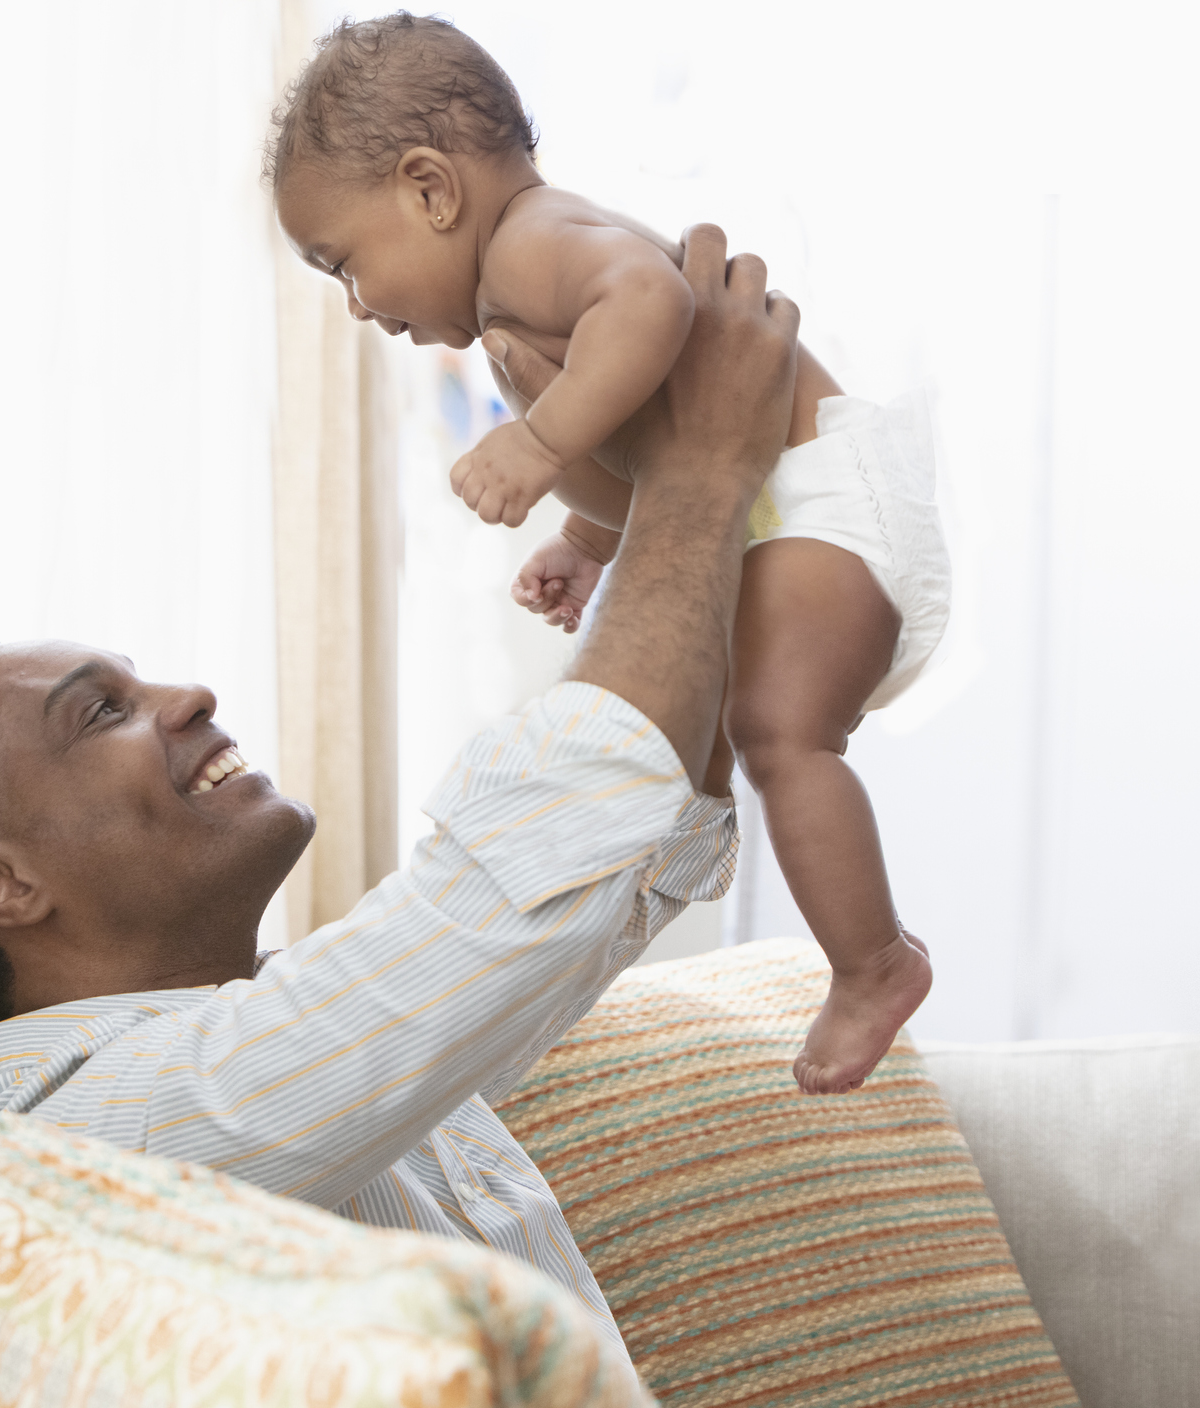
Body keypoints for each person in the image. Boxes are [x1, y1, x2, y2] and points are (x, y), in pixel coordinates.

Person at [0, 228, 795, 1352]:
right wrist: (701, 469)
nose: (187, 694)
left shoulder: (272, 1034)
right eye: (101, 711)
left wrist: (699, 504)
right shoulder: (92, 1146)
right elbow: (534, 869)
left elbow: (626, 860)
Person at [268, 13, 949, 1095]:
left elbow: (656, 300)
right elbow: (654, 421)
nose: (357, 305)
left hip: (823, 501)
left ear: (431, 189)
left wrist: (538, 441)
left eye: (345, 264)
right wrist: (590, 535)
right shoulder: (521, 288)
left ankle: (875, 963)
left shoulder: (534, 242)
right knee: (739, 736)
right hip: (784, 513)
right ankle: (855, 955)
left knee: (779, 731)